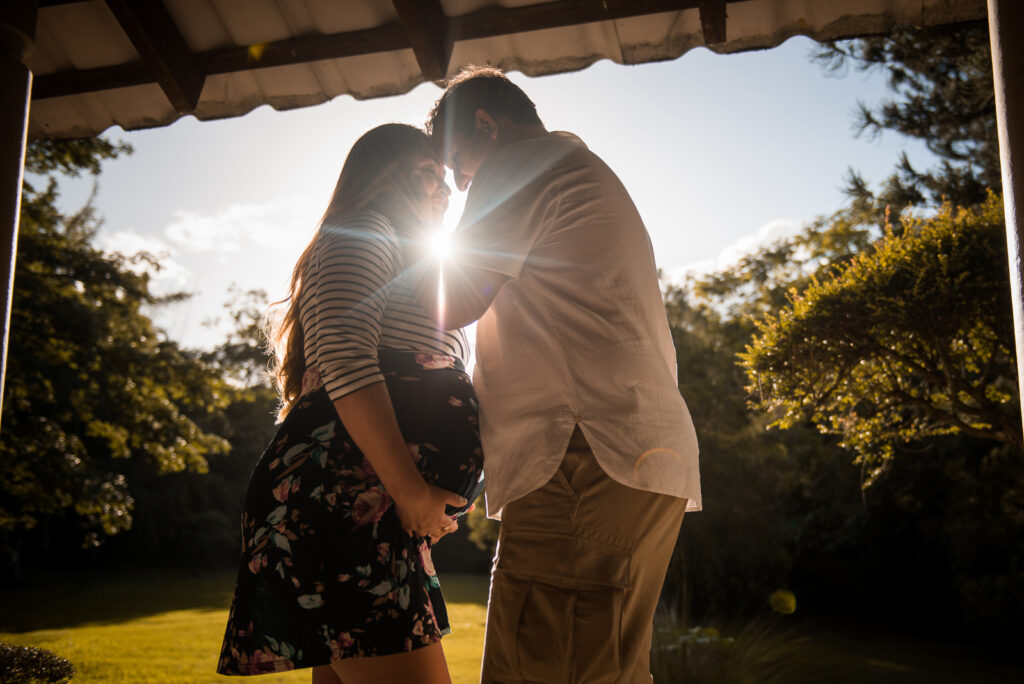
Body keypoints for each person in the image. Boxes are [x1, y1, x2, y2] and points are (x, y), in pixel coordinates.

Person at [421, 66, 702, 683]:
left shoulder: (522, 164)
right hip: (629, 458)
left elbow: (453, 297)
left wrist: (359, 281)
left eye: (463, 172)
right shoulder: (579, 168)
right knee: (607, 671)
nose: (464, 190)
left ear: (486, 126)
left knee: (538, 668)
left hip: (583, 456)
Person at [217, 123, 484, 684]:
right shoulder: (363, 231)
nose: (443, 189)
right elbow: (345, 355)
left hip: (368, 503)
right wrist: (413, 492)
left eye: (444, 179)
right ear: (381, 178)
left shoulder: (415, 260)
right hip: (346, 503)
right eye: (425, 175)